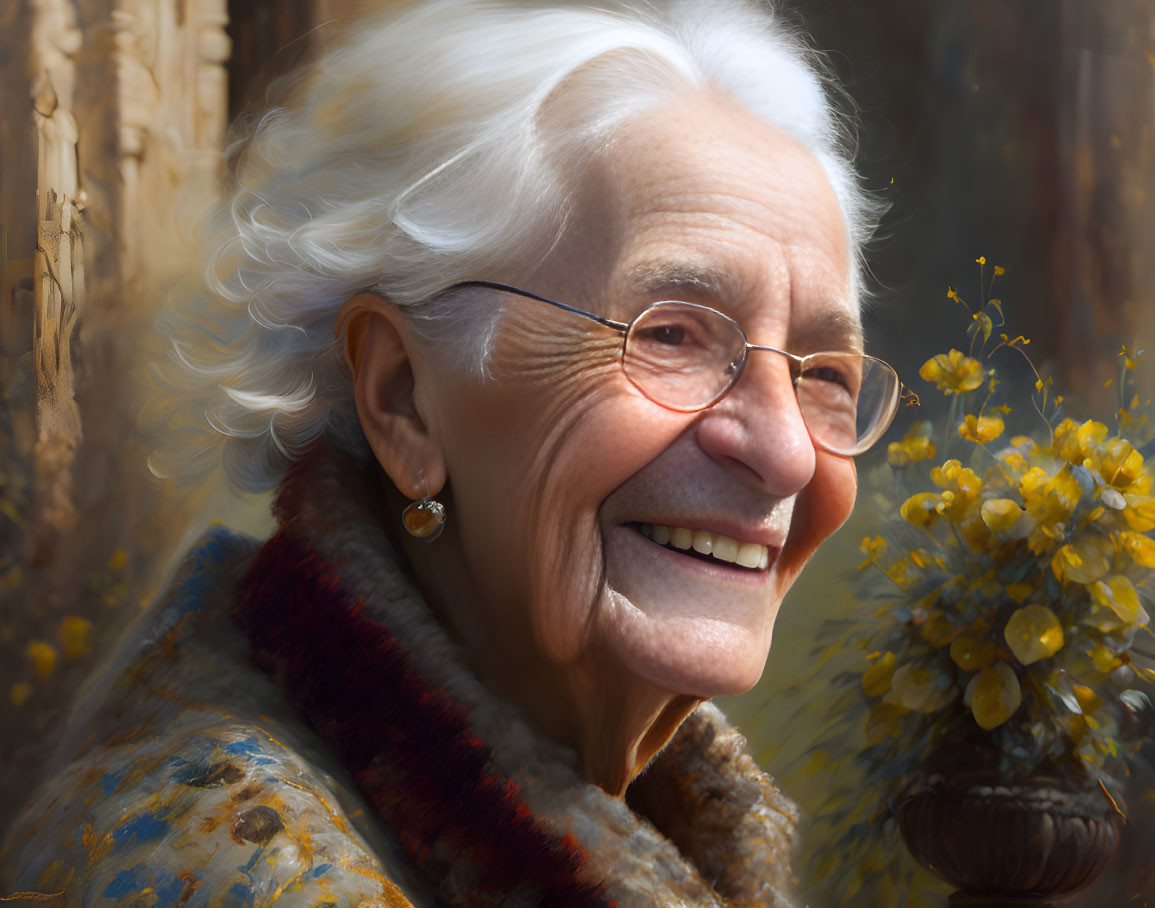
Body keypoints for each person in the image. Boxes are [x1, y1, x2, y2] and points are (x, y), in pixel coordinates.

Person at [0, 1, 897, 904]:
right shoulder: (226, 876)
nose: (784, 451)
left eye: (824, 373)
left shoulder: (619, 812)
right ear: (403, 399)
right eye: (670, 335)